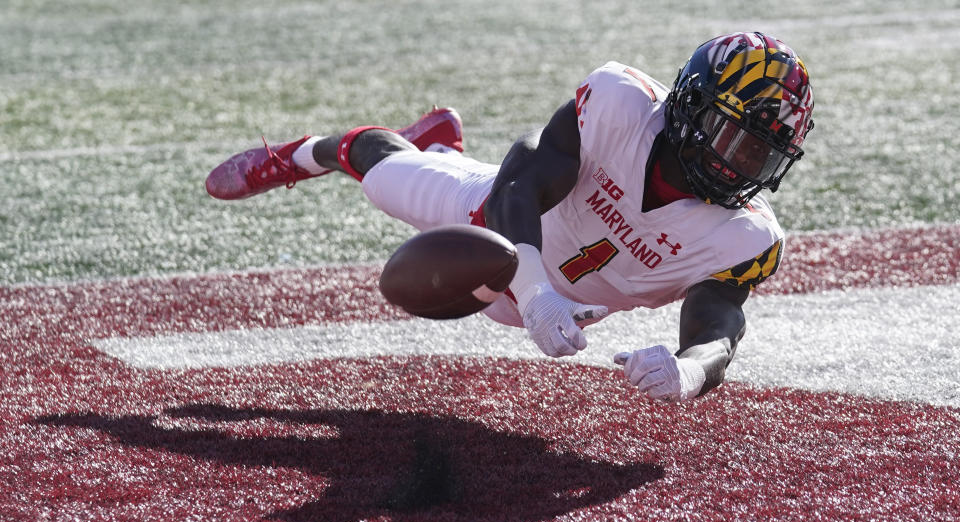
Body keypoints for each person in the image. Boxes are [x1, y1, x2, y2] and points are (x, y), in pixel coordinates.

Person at [206, 31, 815, 403]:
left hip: (549, 298)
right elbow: (520, 180)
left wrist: (687, 372)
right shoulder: (621, 104)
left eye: (761, 154)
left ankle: (441, 145)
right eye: (732, 140)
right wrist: (534, 290)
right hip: (490, 229)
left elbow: (718, 328)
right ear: (690, 104)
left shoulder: (745, 237)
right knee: (383, 172)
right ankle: (305, 153)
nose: (740, 167)